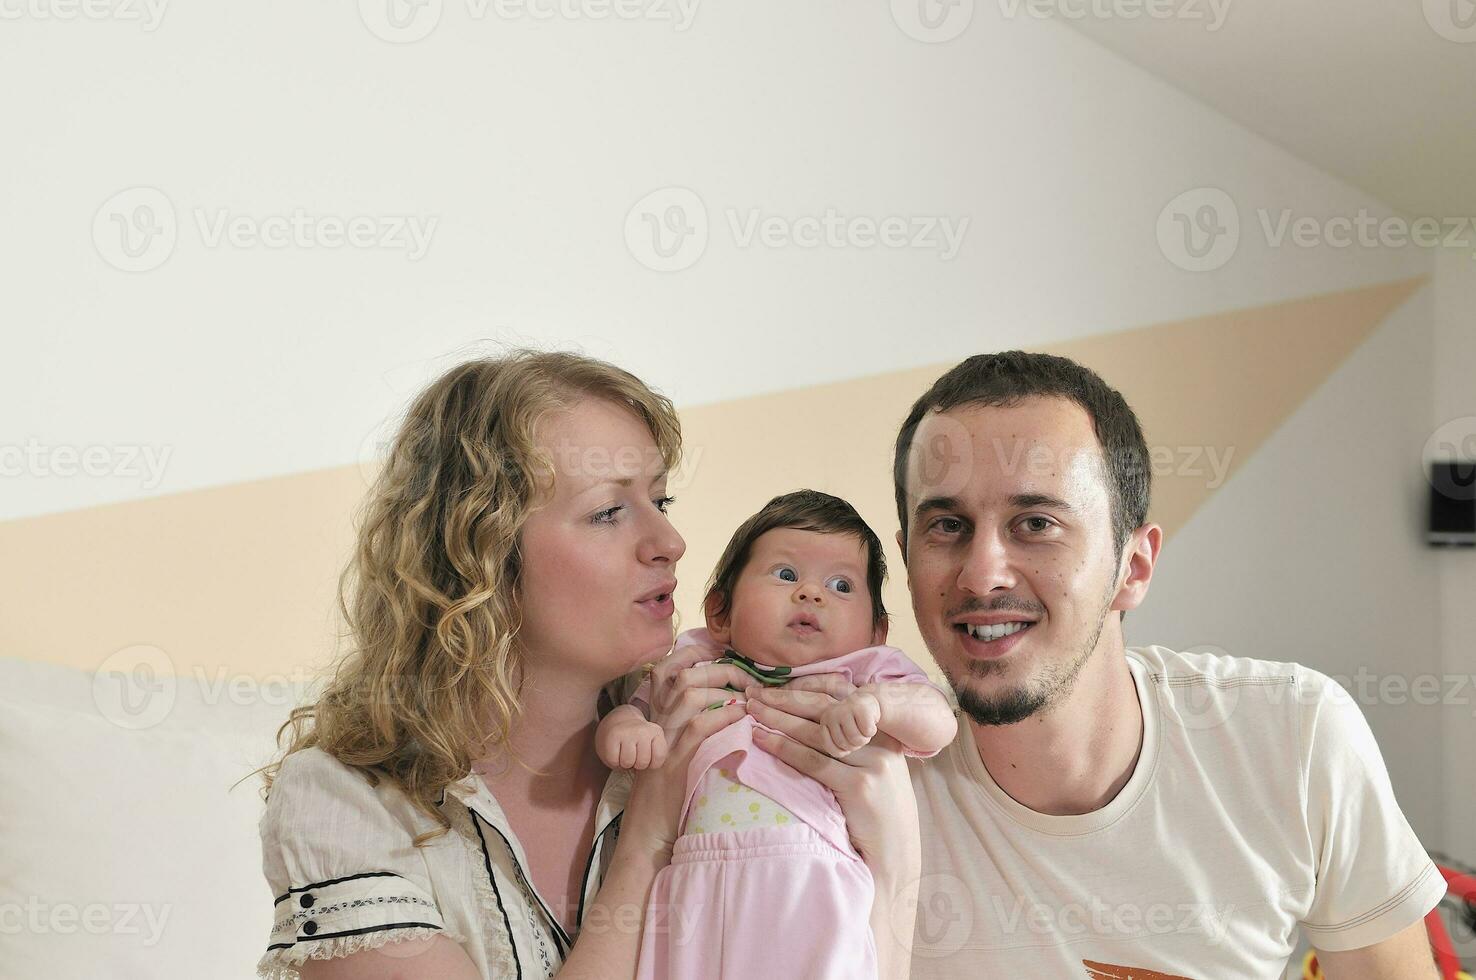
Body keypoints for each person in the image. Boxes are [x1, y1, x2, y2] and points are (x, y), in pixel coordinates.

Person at [252, 350, 921, 980]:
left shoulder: (725, 743)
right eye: (608, 511)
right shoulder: (343, 806)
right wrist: (648, 837)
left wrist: (894, 869)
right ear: (478, 559)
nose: (670, 542)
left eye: (660, 503)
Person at [879, 351, 1445, 978]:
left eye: (1036, 523)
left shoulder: (1294, 734)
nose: (982, 574)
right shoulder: (861, 782)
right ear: (906, 560)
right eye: (948, 526)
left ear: (1134, 566)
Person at [594, 490, 956, 979]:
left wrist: (878, 703)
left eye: (842, 585)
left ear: (877, 631)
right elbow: (635, 710)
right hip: (694, 883)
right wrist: (625, 728)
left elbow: (938, 719)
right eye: (786, 575)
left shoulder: (866, 672)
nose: (812, 593)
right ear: (720, 612)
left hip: (809, 881)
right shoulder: (698, 662)